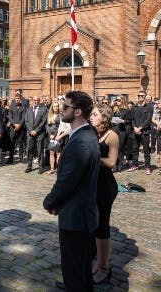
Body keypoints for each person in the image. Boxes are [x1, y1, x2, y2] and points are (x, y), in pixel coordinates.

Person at [43, 91, 99, 291]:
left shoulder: (82, 141)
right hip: (77, 211)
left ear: (77, 112)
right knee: (80, 265)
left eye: (65, 107)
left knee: (75, 267)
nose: (61, 109)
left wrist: (50, 202)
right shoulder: (84, 135)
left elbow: (68, 180)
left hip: (77, 215)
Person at [89, 103, 119, 284]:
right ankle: (96, 261)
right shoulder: (93, 133)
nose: (91, 117)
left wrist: (93, 158)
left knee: (102, 226)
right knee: (93, 224)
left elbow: (112, 161)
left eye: (95, 114)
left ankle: (104, 268)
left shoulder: (111, 135)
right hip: (93, 184)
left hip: (105, 185)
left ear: (104, 117)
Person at [129, 91, 153, 174]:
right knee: (135, 149)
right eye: (139, 95)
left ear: (145, 97)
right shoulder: (134, 107)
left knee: (146, 150)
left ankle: (147, 166)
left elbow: (148, 120)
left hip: (144, 132)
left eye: (142, 96)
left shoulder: (149, 107)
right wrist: (135, 127)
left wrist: (140, 128)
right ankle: (135, 165)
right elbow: (131, 119)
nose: (140, 97)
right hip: (135, 131)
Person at [24, 96, 48, 173]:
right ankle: (29, 166)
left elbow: (43, 121)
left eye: (37, 100)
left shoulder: (43, 110)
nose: (35, 102)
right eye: (34, 100)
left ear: (39, 101)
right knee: (29, 149)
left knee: (40, 149)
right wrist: (31, 130)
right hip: (30, 133)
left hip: (40, 133)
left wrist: (36, 131)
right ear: (32, 101)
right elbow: (26, 121)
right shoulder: (29, 109)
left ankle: (41, 167)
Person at [46, 101, 62, 174]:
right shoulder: (50, 115)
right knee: (51, 153)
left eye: (57, 106)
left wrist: (55, 135)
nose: (55, 107)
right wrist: (50, 135)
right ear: (52, 107)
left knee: (58, 153)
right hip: (51, 137)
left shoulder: (60, 116)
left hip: (58, 136)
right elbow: (47, 126)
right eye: (54, 106)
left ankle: (58, 169)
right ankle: (52, 169)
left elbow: (60, 127)